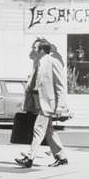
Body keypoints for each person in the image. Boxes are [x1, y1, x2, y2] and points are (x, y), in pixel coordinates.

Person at [15, 39, 69, 168]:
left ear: (42, 50)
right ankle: (61, 157)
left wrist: (60, 106)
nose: (32, 50)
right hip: (36, 100)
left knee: (38, 129)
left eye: (34, 48)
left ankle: (29, 157)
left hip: (47, 103)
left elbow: (61, 86)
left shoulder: (52, 62)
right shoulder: (37, 62)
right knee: (49, 131)